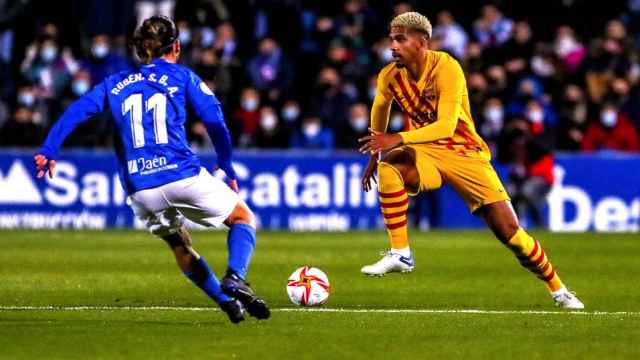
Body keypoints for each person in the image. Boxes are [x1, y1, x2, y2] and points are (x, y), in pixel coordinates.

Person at [33, 15, 270, 323]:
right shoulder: (183, 76)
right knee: (242, 217)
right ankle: (235, 277)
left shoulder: (115, 83)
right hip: (180, 173)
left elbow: (78, 111)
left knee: (179, 243)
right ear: (177, 47)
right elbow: (214, 119)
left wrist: (50, 148)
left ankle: (227, 303)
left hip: (140, 188)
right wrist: (225, 161)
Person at [358, 12, 583, 309]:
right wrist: (376, 152)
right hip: (426, 150)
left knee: (512, 235)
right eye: (392, 39)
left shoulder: (447, 67)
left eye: (400, 39)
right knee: (391, 170)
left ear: (421, 42)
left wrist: (397, 138)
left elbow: (447, 126)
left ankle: (559, 290)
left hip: (464, 153)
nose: (393, 46)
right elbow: (380, 110)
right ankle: (400, 253)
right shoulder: (389, 75)